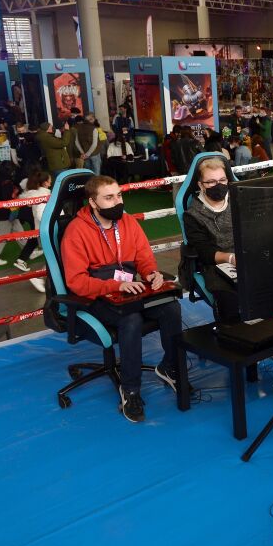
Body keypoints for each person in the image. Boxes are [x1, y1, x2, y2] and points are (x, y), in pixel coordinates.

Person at [61, 175, 182, 423]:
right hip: (95, 296)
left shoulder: (128, 222)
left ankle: (169, 367)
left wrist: (151, 274)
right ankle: (130, 390)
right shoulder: (76, 231)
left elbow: (144, 257)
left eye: (119, 195)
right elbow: (77, 282)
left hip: (127, 290)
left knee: (170, 307)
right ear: (92, 202)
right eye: (109, 198)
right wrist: (116, 285)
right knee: (131, 319)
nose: (117, 202)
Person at [182, 158, 242, 325]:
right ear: (201, 185)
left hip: (247, 255)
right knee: (230, 301)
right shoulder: (193, 215)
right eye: (211, 182)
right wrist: (230, 258)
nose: (219, 185)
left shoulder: (240, 199)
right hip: (216, 264)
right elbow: (204, 251)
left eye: (222, 180)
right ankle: (233, 333)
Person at [13, 170, 51, 292]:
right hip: (45, 226)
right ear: (45, 182)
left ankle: (40, 276)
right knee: (56, 256)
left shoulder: (32, 190)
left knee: (54, 255)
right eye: (49, 180)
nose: (51, 182)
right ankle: (39, 277)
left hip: (40, 225)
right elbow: (41, 213)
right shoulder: (44, 194)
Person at [0, 161, 27, 266]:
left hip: (1, 210)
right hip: (4, 212)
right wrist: (16, 192)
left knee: (19, 230)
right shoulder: (6, 181)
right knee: (3, 235)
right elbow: (7, 197)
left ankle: (28, 250)